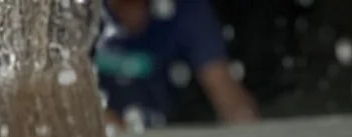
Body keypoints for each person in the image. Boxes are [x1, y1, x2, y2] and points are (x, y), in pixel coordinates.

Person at [97, 0, 259, 129]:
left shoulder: (186, 8)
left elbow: (219, 80)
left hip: (167, 133)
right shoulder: (81, 13)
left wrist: (248, 132)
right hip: (97, 134)